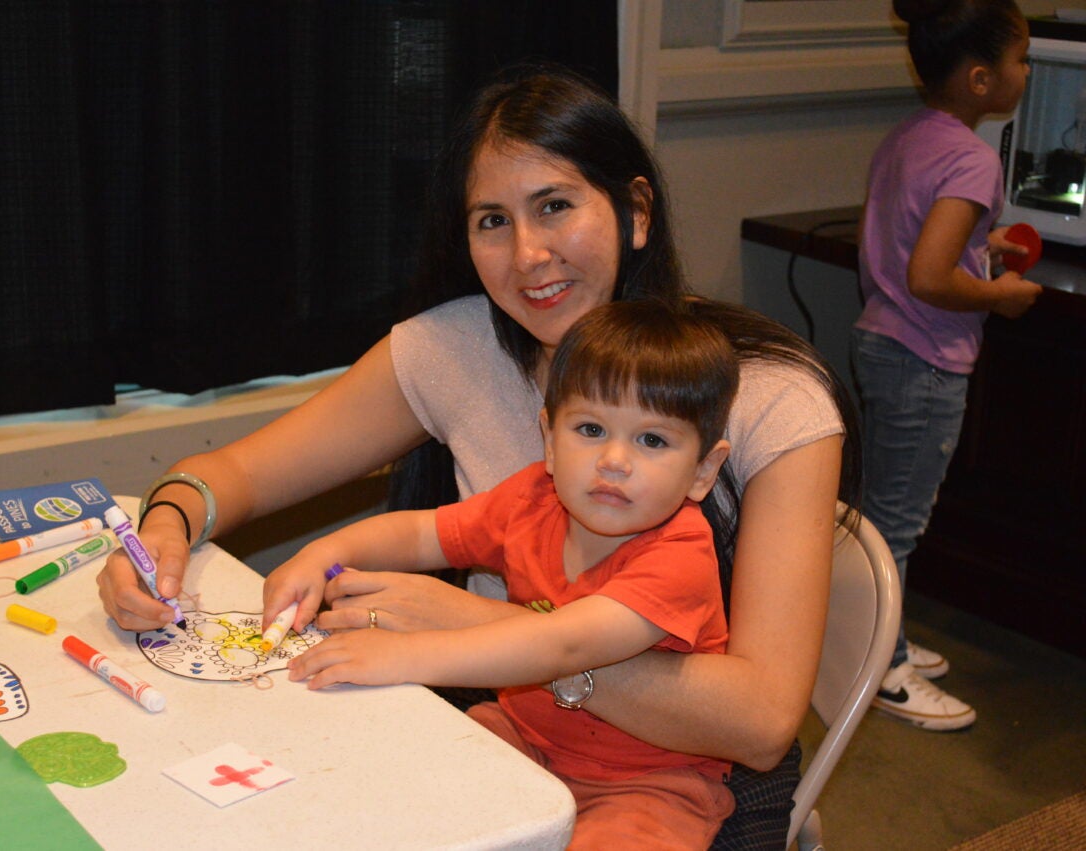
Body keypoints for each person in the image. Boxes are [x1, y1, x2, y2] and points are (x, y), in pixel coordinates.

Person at [98, 63, 859, 849]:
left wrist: (474, 623)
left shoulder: (773, 395)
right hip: (518, 738)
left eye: (555, 206)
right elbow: (240, 473)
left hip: (691, 786)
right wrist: (165, 522)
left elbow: (762, 723)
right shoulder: (455, 347)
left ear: (635, 211)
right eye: (492, 220)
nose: (528, 254)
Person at [267, 301, 739, 849]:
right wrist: (323, 554)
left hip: (649, 785)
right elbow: (424, 534)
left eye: (652, 440)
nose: (614, 459)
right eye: (590, 428)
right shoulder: (531, 500)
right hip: (522, 733)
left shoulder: (680, 554)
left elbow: (562, 646)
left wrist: (403, 654)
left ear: (704, 469)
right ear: (549, 439)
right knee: (384, 792)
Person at [854, 0, 1041, 732]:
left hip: (882, 342)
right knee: (896, 525)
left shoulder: (910, 136)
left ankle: (878, 640)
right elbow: (930, 277)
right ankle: (883, 670)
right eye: (1022, 59)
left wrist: (979, 253)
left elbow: (912, 247)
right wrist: (1000, 295)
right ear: (980, 78)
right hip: (924, 357)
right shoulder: (973, 157)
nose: (1027, 72)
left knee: (879, 514)